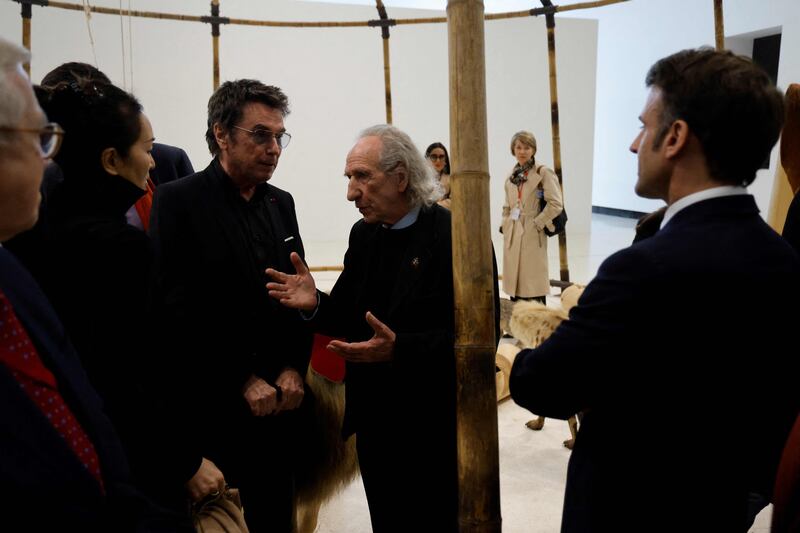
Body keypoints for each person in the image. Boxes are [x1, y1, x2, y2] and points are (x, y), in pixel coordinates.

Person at [510, 48, 800, 532]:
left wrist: (524, 357)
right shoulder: (784, 261)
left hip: (627, 512)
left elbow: (545, 385)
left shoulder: (643, 269)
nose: (632, 144)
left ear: (675, 138)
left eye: (644, 126)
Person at [0, 36, 191, 533]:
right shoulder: (116, 248)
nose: (152, 164)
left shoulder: (23, 247)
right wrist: (184, 463)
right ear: (111, 159)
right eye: (38, 140)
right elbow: (134, 380)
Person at [266, 124, 485, 533]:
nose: (351, 192)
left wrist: (401, 349)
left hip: (435, 429)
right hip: (375, 426)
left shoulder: (456, 236)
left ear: (401, 178)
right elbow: (351, 314)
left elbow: (478, 339)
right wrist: (316, 303)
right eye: (349, 179)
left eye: (362, 177)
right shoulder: (364, 234)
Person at [149, 79, 312, 533]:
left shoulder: (283, 204)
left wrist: (293, 367)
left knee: (278, 519)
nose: (274, 148)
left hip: (281, 409)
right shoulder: (177, 201)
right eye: (261, 135)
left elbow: (297, 292)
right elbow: (176, 312)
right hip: (215, 410)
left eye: (280, 136)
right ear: (222, 134)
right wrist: (240, 378)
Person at [500, 130, 563, 304]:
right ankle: (517, 325)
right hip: (513, 231)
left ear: (533, 149)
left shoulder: (543, 172)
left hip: (532, 232)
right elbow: (507, 205)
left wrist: (538, 223)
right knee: (515, 282)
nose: (522, 151)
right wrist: (505, 224)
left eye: (527, 147)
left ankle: (535, 325)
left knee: (531, 282)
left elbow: (556, 203)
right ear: (513, 149)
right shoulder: (512, 176)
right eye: (518, 147)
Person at [425, 141, 451, 208]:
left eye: (441, 157)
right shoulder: (420, 178)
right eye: (434, 157)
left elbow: (454, 201)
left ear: (445, 161)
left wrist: (435, 207)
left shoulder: (451, 179)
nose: (438, 161)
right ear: (427, 158)